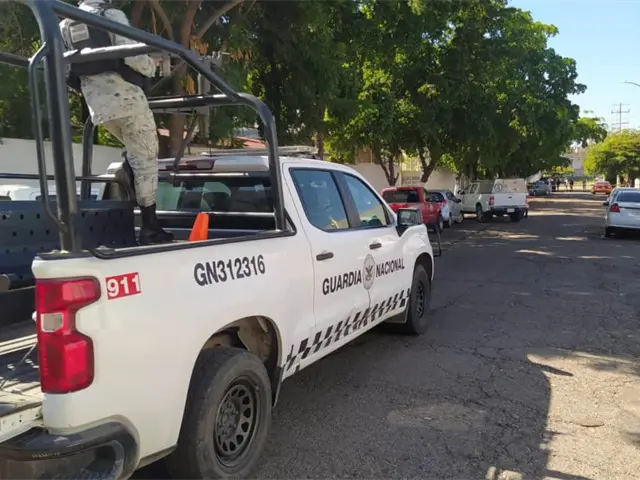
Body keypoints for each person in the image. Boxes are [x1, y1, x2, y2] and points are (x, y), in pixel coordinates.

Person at [59, 0, 173, 245]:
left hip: (98, 107)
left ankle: (128, 171)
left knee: (135, 152)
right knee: (146, 159)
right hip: (127, 99)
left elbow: (66, 69)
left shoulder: (65, 24)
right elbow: (133, 55)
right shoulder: (109, 14)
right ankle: (150, 227)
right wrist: (152, 66)